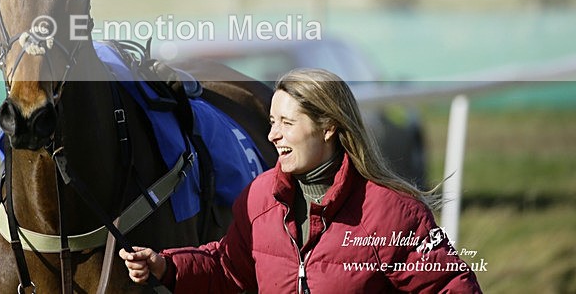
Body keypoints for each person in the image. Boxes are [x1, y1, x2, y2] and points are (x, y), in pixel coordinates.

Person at [120, 68, 482, 293]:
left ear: (328, 127)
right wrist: (166, 266)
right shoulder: (258, 197)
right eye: (272, 122)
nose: (273, 135)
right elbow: (228, 268)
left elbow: (451, 287)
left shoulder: (394, 213)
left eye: (287, 123)